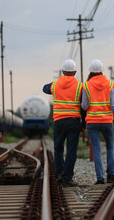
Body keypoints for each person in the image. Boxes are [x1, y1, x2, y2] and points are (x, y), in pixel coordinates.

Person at [81, 59, 114, 184]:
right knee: (110, 147)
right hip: (107, 121)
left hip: (92, 122)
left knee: (96, 149)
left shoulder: (86, 86)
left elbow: (84, 106)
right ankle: (110, 175)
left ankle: (100, 178)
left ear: (91, 71)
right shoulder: (109, 84)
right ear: (102, 71)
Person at [42, 59, 82, 187]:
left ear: (62, 71)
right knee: (71, 150)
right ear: (75, 72)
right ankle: (67, 178)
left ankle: (59, 173)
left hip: (59, 121)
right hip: (73, 121)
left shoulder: (55, 85)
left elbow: (44, 88)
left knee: (58, 148)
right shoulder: (80, 86)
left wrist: (56, 83)